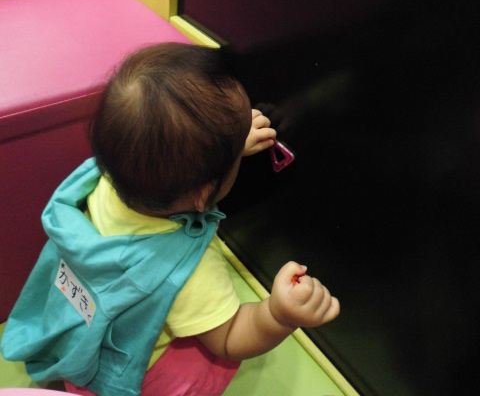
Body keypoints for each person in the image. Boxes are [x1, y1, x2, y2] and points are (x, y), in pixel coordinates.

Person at [1, 43, 340, 396]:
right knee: (212, 362)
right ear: (203, 193)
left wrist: (227, 149)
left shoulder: (105, 178)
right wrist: (278, 315)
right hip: (116, 377)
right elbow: (228, 338)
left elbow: (169, 153)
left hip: (71, 330)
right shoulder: (185, 269)